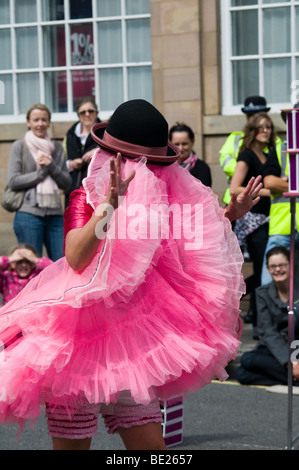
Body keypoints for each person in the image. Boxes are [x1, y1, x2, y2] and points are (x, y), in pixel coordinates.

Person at [0, 99, 262, 451]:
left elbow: (186, 245)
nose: (150, 173)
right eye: (144, 164)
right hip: (77, 342)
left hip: (133, 341)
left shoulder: (163, 197)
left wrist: (230, 214)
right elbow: (77, 259)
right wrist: (108, 205)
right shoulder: (87, 196)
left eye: (153, 165)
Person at [7, 104, 72, 261]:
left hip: (55, 215)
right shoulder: (20, 146)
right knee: (31, 265)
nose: (40, 124)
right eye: (36, 120)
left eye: (44, 120)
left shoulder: (56, 148)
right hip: (28, 214)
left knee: (61, 263)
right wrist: (42, 172)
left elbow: (67, 183)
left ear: (49, 122)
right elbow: (13, 181)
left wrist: (50, 165)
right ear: (28, 122)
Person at [230, 112, 274, 332]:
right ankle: (256, 320)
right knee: (262, 267)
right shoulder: (246, 155)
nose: (266, 130)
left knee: (265, 267)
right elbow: (235, 187)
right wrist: (269, 192)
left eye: (269, 127)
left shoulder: (268, 154)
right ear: (253, 131)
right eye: (261, 127)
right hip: (253, 220)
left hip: (270, 218)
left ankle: (256, 315)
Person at [236, 246, 299, 386]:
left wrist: (295, 360)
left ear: (291, 264)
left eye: (282, 265)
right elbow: (269, 332)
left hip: (297, 345)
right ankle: (293, 378)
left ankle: (291, 376)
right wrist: (288, 363)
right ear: (268, 268)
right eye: (273, 266)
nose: (278, 269)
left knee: (247, 370)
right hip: (276, 346)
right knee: (245, 364)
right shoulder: (262, 293)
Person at [261, 103, 299, 285]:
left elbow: (276, 183)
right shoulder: (278, 149)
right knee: (269, 281)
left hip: (282, 226)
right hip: (282, 226)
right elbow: (269, 182)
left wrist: (284, 183)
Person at [219, 96, 272, 205]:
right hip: (238, 202)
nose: (254, 119)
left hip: (265, 204)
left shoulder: (275, 141)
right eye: (251, 115)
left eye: (258, 115)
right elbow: (225, 162)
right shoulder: (235, 139)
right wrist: (245, 170)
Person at [63, 97, 101, 208]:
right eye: (83, 112)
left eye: (91, 111)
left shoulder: (104, 132)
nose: (87, 114)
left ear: (96, 113)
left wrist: (97, 151)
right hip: (72, 190)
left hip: (96, 192)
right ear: (78, 116)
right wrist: (70, 164)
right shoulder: (70, 134)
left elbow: (114, 152)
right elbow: (61, 160)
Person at [169, 122, 212, 187]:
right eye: (176, 144)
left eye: (184, 144)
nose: (180, 148)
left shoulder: (202, 168)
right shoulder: (165, 166)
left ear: (192, 142)